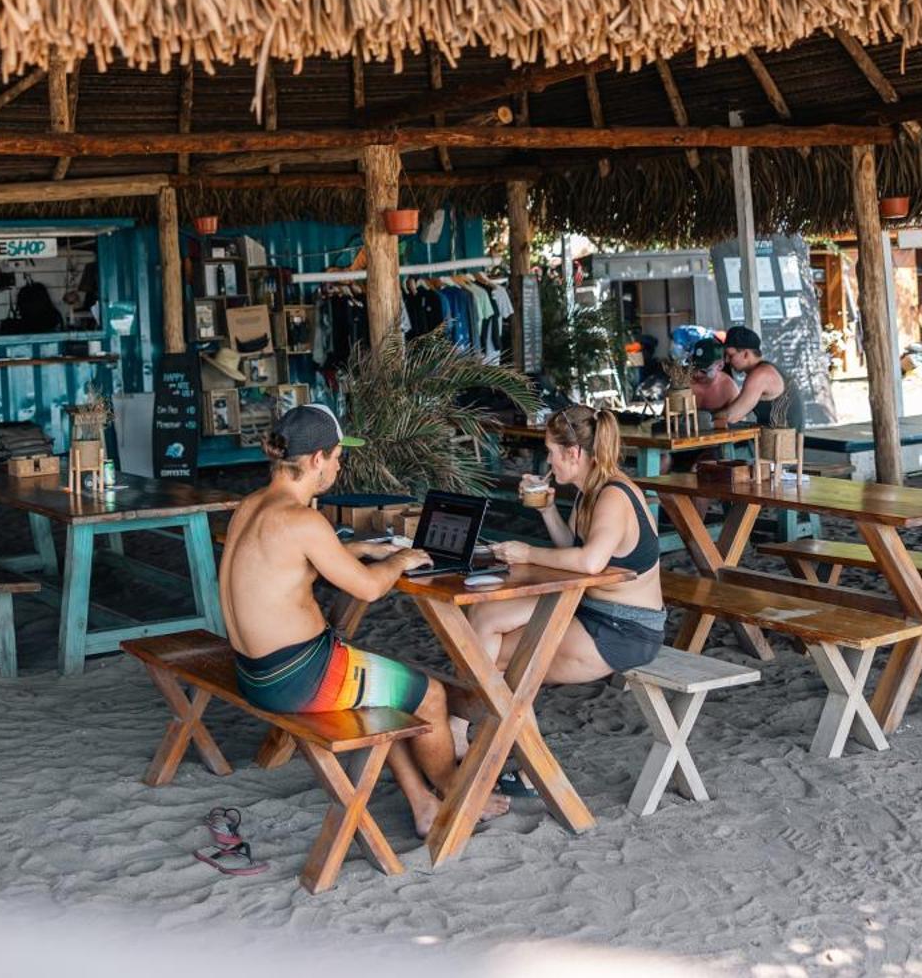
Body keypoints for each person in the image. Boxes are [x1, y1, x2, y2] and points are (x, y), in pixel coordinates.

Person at [219, 403, 503, 835]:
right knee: (429, 695)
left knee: (378, 687)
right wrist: (401, 558)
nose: (337, 464)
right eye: (336, 456)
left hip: (254, 673)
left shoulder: (253, 505)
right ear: (317, 460)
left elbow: (288, 563)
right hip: (298, 679)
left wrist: (358, 551)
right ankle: (453, 789)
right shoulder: (303, 519)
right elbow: (369, 589)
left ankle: (421, 804)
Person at [476, 405, 669, 687]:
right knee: (484, 614)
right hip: (587, 605)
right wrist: (548, 509)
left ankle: (472, 723)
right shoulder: (589, 491)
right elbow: (572, 545)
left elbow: (590, 562)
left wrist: (527, 553)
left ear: (573, 453)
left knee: (491, 654)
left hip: (625, 629)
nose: (549, 462)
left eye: (551, 451)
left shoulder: (613, 495)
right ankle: (476, 721)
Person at [711, 325, 789, 427]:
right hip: (778, 437)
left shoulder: (761, 375)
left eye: (730, 355)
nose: (726, 361)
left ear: (746, 354)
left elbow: (732, 416)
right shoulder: (765, 369)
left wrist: (705, 417)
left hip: (785, 440)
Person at [684, 337, 739, 417]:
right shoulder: (682, 382)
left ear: (720, 366)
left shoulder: (729, 389)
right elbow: (667, 417)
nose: (696, 374)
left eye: (703, 371)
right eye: (694, 368)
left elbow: (739, 421)